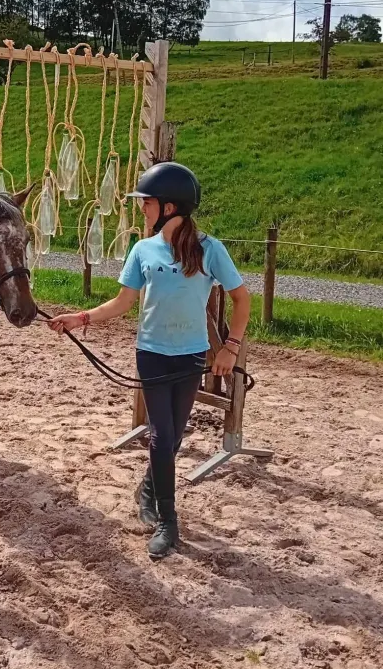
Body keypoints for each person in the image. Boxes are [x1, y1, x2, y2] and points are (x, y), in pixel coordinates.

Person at [48, 162, 250, 560]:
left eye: (147, 203)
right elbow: (123, 302)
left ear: (170, 207)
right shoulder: (143, 249)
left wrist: (229, 348)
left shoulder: (211, 249)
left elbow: (242, 299)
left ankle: (147, 488)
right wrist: (81, 317)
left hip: (191, 355)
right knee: (161, 435)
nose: (142, 209)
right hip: (153, 354)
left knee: (173, 436)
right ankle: (168, 522)